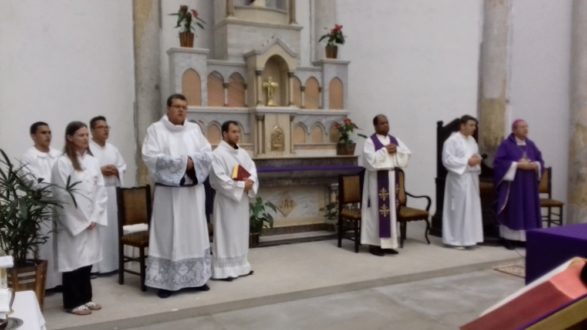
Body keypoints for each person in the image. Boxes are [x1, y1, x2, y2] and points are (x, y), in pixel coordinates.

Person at [142, 93, 213, 298]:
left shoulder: (194, 129)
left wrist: (192, 162)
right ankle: (166, 283)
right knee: (169, 235)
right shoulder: (156, 130)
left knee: (194, 233)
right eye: (177, 106)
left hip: (192, 193)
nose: (181, 110)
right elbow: (150, 157)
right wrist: (184, 163)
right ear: (168, 109)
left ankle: (198, 278)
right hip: (169, 195)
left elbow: (207, 153)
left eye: (184, 107)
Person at [51, 121, 107, 315]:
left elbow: (100, 190)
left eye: (86, 135)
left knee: (87, 260)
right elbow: (62, 195)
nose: (85, 138)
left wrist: (95, 216)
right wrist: (82, 220)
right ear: (69, 138)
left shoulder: (92, 161)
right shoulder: (62, 162)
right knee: (73, 262)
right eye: (81, 135)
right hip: (73, 222)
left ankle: (86, 297)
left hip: (91, 220)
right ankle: (72, 302)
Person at [210, 121, 258, 281]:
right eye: (233, 132)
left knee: (240, 232)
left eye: (238, 131)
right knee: (226, 233)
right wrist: (242, 184)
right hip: (226, 201)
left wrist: (250, 182)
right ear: (224, 134)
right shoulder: (217, 154)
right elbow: (219, 179)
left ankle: (241, 266)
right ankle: (224, 270)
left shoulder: (243, 153)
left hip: (241, 201)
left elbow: (252, 170)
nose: (237, 135)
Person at [360, 114, 411, 256]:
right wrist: (385, 150)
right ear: (375, 126)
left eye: (387, 122)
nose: (386, 125)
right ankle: (375, 244)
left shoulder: (394, 140)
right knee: (377, 212)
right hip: (376, 180)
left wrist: (398, 150)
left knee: (391, 213)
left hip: (391, 177)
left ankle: (388, 244)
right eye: (382, 123)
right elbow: (369, 161)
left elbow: (407, 154)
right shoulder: (370, 141)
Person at [20, 122, 62, 290]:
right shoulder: (29, 156)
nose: (48, 136)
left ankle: (62, 281)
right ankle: (47, 283)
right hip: (42, 205)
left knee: (61, 243)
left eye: (50, 132)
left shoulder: (58, 154)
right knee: (45, 243)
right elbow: (31, 180)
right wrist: (55, 187)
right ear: (33, 136)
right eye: (43, 132)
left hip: (61, 204)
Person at [494, 119, 544, 249]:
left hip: (529, 185)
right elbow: (499, 163)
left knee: (528, 209)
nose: (526, 130)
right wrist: (517, 165)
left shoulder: (531, 144)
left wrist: (535, 165)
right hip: (514, 186)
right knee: (515, 209)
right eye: (522, 127)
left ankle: (527, 238)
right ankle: (509, 238)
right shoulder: (506, 145)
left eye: (526, 127)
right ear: (514, 130)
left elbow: (540, 161)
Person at [89, 116, 127, 274]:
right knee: (99, 231)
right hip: (96, 195)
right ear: (92, 130)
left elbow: (123, 166)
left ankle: (114, 263)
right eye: (101, 127)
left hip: (112, 193)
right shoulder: (88, 149)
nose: (105, 130)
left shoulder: (113, 149)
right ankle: (98, 267)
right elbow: (85, 171)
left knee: (113, 230)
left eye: (107, 127)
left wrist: (117, 170)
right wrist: (100, 171)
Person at [441, 115, 483, 249]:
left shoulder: (472, 140)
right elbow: (447, 160)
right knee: (458, 209)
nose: (474, 128)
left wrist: (477, 159)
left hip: (471, 179)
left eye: (475, 125)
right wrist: (467, 162)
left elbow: (474, 156)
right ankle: (455, 240)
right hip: (458, 179)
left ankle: (469, 239)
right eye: (471, 125)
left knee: (470, 208)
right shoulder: (452, 140)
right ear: (462, 126)